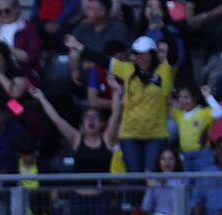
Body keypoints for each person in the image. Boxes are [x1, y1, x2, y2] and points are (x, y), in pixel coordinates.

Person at [30, 80, 121, 215]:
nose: (91, 120)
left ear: (101, 123)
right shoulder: (76, 138)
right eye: (88, 117)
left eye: (95, 117)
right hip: (78, 199)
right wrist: (41, 98)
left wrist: (116, 91)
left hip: (100, 198)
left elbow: (116, 115)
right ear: (83, 122)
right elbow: (57, 119)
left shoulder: (107, 139)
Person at [66, 34, 175, 173]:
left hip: (156, 134)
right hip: (129, 134)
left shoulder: (164, 70)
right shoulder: (127, 69)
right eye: (137, 54)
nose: (140, 57)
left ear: (152, 54)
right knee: (134, 179)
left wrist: (146, 74)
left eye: (144, 54)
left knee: (150, 177)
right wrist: (78, 45)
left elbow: (161, 83)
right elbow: (103, 60)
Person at [0, 0, 42, 85]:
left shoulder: (28, 28)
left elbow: (31, 57)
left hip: (19, 71)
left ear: (16, 9)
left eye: (7, 11)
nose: (3, 14)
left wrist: (7, 49)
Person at [171, 84, 222, 172]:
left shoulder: (203, 112)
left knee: (203, 184)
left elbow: (219, 112)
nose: (182, 100)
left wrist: (208, 96)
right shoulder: (178, 114)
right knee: (188, 185)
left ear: (195, 97)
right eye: (180, 97)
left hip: (202, 155)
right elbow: (170, 104)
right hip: (185, 156)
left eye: (186, 97)